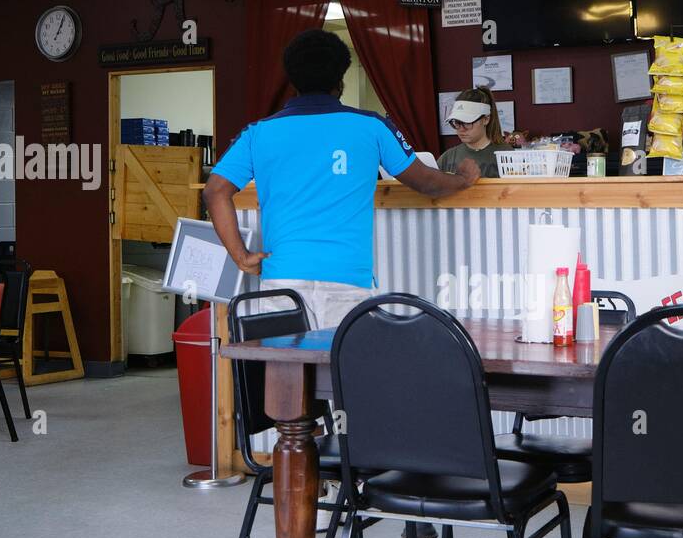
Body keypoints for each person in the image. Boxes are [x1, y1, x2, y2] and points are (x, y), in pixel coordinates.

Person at [204, 28, 479, 330]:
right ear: (341, 79)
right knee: (344, 373)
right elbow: (426, 181)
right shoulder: (371, 126)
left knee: (284, 371)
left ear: (292, 81)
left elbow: (216, 191)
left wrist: (241, 256)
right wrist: (463, 179)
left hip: (282, 276)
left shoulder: (258, 132)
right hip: (347, 277)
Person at [437, 87, 511, 178]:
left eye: (467, 122)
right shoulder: (447, 158)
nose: (461, 129)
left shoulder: (507, 155)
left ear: (486, 119)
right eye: (457, 122)